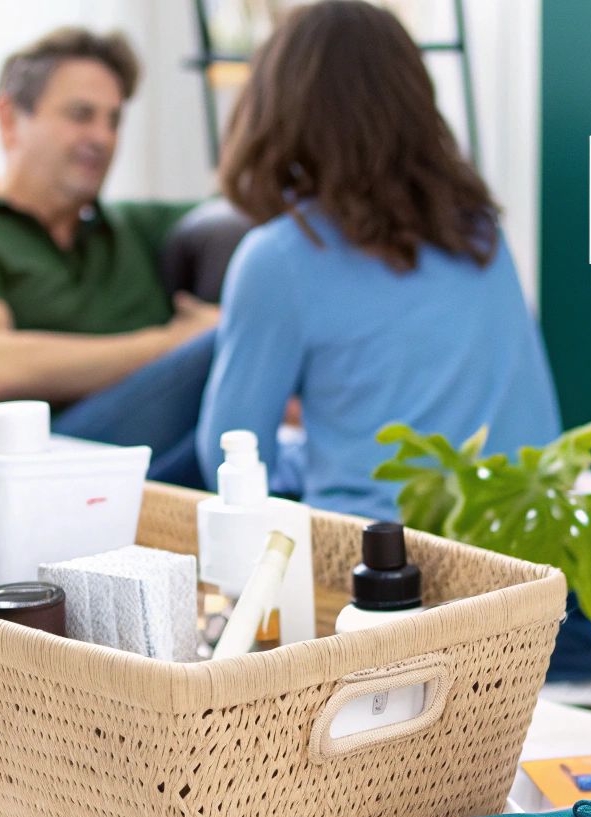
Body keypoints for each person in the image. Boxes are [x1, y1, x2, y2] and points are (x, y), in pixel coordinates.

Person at [197, 0, 561, 519]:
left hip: (377, 552)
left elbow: (226, 463)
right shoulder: (480, 232)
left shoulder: (279, 258)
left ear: (274, 109)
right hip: (524, 541)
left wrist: (310, 461)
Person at [0, 27, 219, 477]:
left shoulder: (129, 227)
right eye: (81, 114)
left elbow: (250, 201)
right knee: (227, 339)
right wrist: (176, 342)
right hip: (17, 474)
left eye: (114, 121)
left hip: (141, 463)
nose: (102, 137)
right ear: (9, 118)